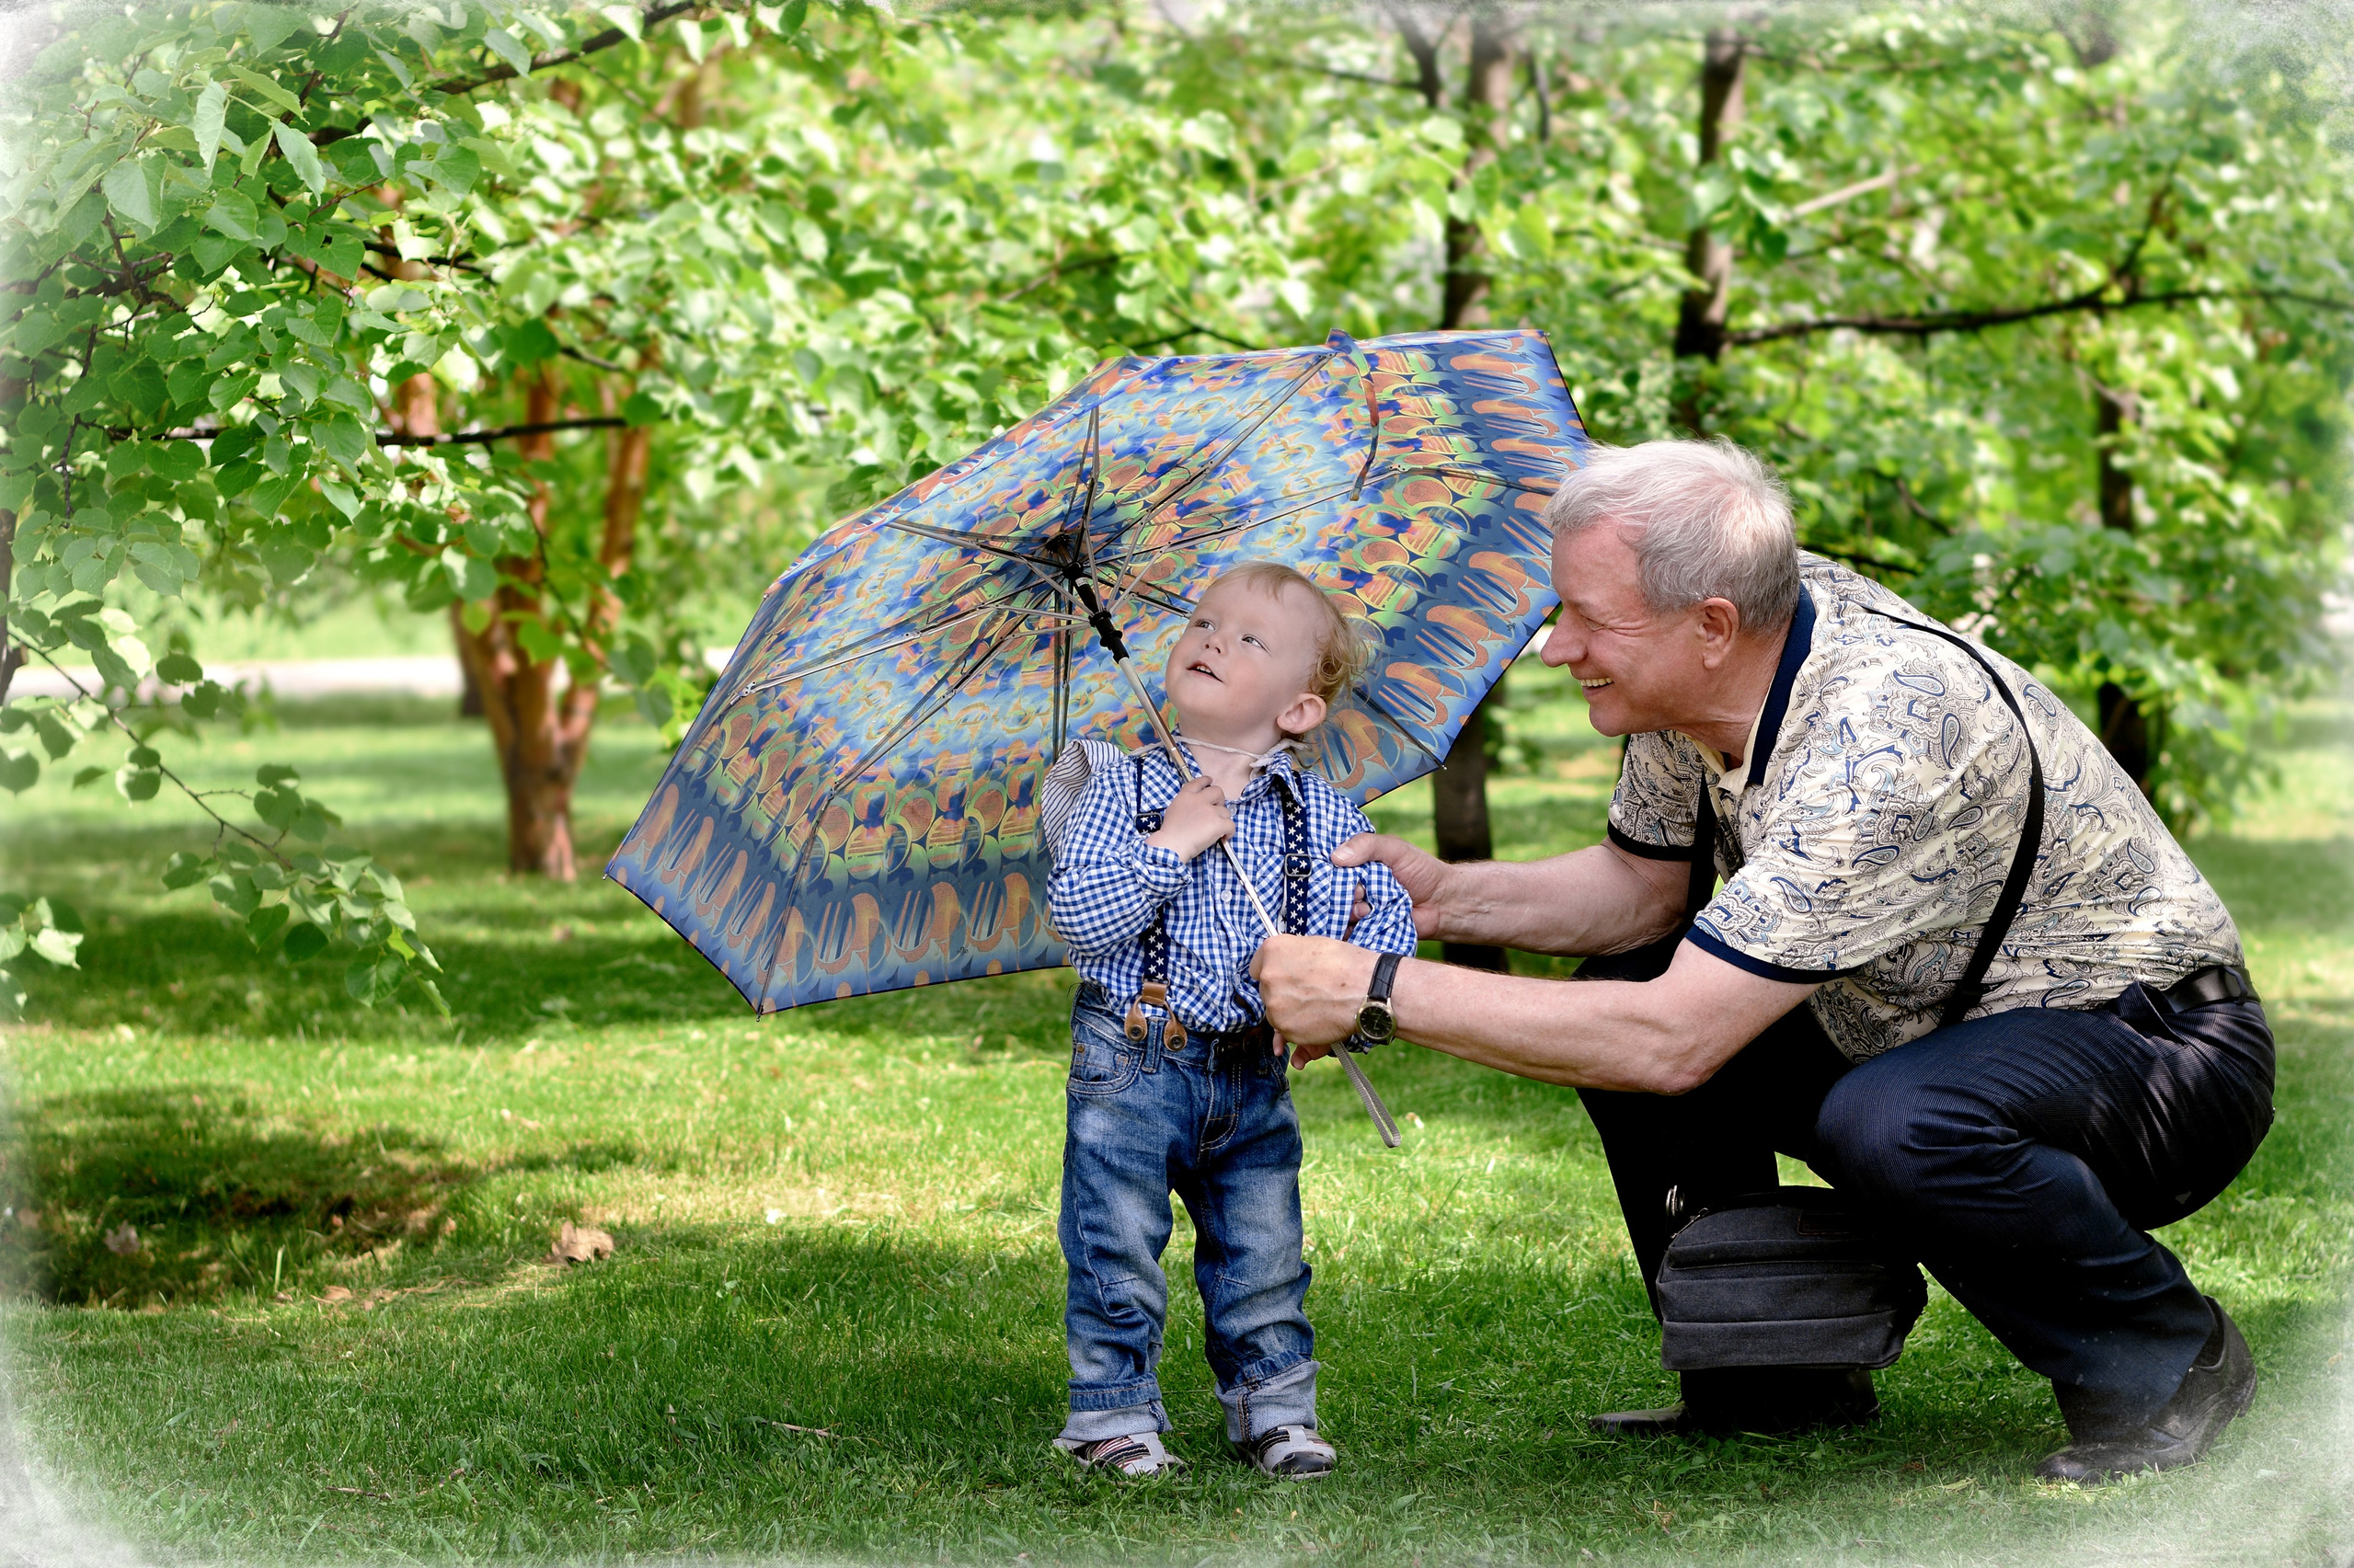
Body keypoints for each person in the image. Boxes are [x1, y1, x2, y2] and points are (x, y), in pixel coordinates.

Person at [1257, 440, 2273, 1483]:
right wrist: (1437, 898)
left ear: (1711, 624)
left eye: (1588, 620)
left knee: (1890, 1119)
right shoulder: (1706, 673)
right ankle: (1773, 1373)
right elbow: (1641, 892)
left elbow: (1674, 1038)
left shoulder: (1883, 733)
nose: (1557, 648)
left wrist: (1372, 994)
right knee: (1625, 989)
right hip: (1916, 1028)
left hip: (2155, 1052)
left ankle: (2171, 1360)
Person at [1041, 560, 1419, 1480]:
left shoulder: (1323, 814)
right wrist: (1172, 843)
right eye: (1204, 622)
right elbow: (1078, 917)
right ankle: (1110, 1414)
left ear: (1297, 711)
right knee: (1114, 1244)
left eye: (1250, 639)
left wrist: (1346, 1006)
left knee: (1263, 1252)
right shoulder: (1109, 786)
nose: (1213, 639)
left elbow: (1382, 920)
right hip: (1133, 1060)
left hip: (1253, 1073)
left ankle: (1274, 1407)